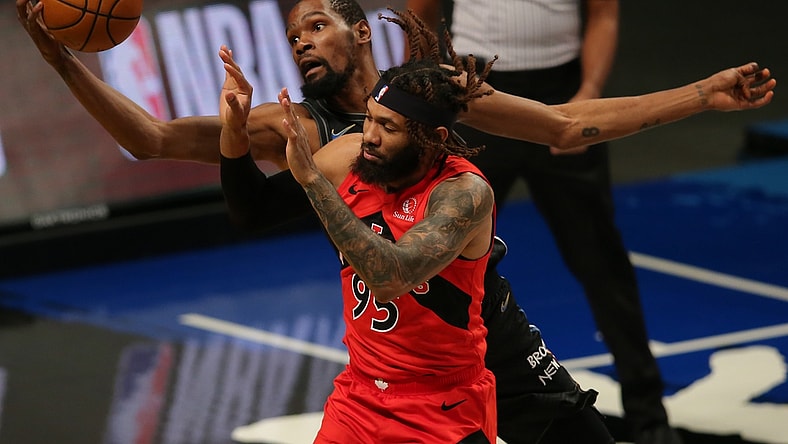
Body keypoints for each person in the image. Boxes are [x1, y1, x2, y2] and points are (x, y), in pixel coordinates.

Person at [16, 0, 776, 442]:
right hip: (389, 361)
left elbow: (563, 127)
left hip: (480, 338)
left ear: (361, 33)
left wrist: (701, 94)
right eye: (292, 37)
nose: (302, 40)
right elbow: (147, 140)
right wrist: (61, 63)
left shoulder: (435, 93)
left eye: (315, 25)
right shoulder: (302, 131)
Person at [403, 0, 663, 442]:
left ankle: (650, 419)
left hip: (562, 90)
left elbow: (604, 14)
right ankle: (420, 408)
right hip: (473, 94)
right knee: (439, 265)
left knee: (601, 260)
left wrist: (588, 92)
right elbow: (418, 12)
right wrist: (430, 93)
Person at [221, 42, 499, 441]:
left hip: (441, 405)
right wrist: (234, 130)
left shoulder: (462, 193)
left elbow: (392, 278)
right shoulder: (350, 155)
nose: (368, 136)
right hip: (359, 396)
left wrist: (314, 181)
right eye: (369, 118)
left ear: (433, 138)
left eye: (388, 127)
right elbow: (252, 212)